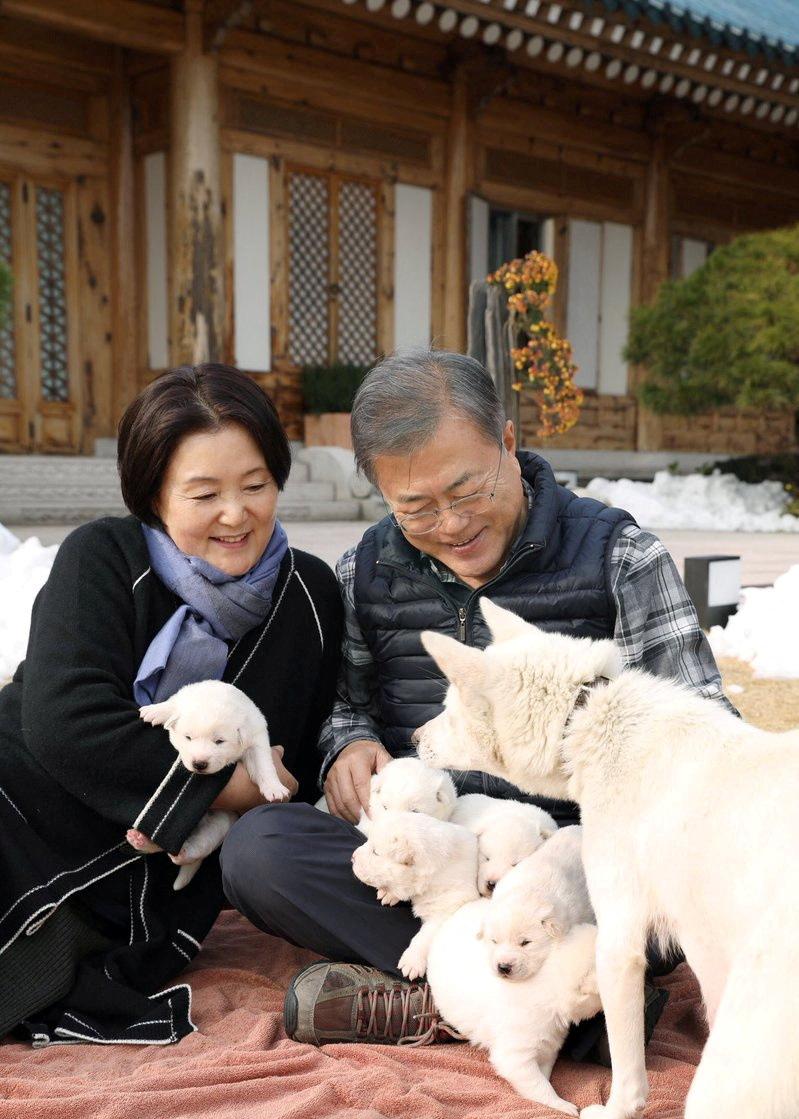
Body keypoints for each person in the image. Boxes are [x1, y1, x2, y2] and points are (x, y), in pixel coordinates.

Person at [220, 350, 736, 1049]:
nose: (451, 524)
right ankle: (562, 1009)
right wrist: (349, 743)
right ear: (380, 496)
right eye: (416, 508)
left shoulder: (617, 556)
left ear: (509, 444)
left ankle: (445, 1002)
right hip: (436, 851)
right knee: (258, 851)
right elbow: (345, 703)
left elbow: (706, 735)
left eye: (466, 492)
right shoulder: (364, 570)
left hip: (578, 861)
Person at [0, 364, 342, 1045]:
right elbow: (63, 721)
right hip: (25, 791)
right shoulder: (102, 555)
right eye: (204, 493)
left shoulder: (310, 594)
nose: (236, 514)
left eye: (255, 485)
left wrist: (255, 790)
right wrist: (227, 783)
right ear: (153, 492)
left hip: (154, 880)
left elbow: (294, 751)